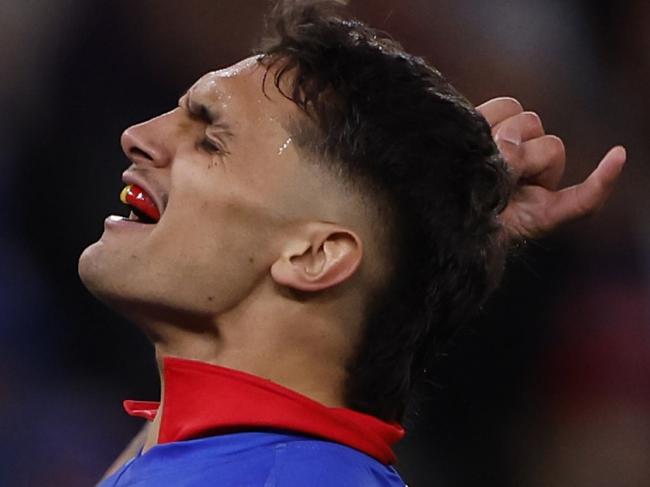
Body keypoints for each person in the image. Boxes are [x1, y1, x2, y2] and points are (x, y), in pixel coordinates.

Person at [79, 2, 626, 486]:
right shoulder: (232, 456)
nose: (139, 136)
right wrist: (431, 227)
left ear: (316, 255)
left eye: (209, 139)